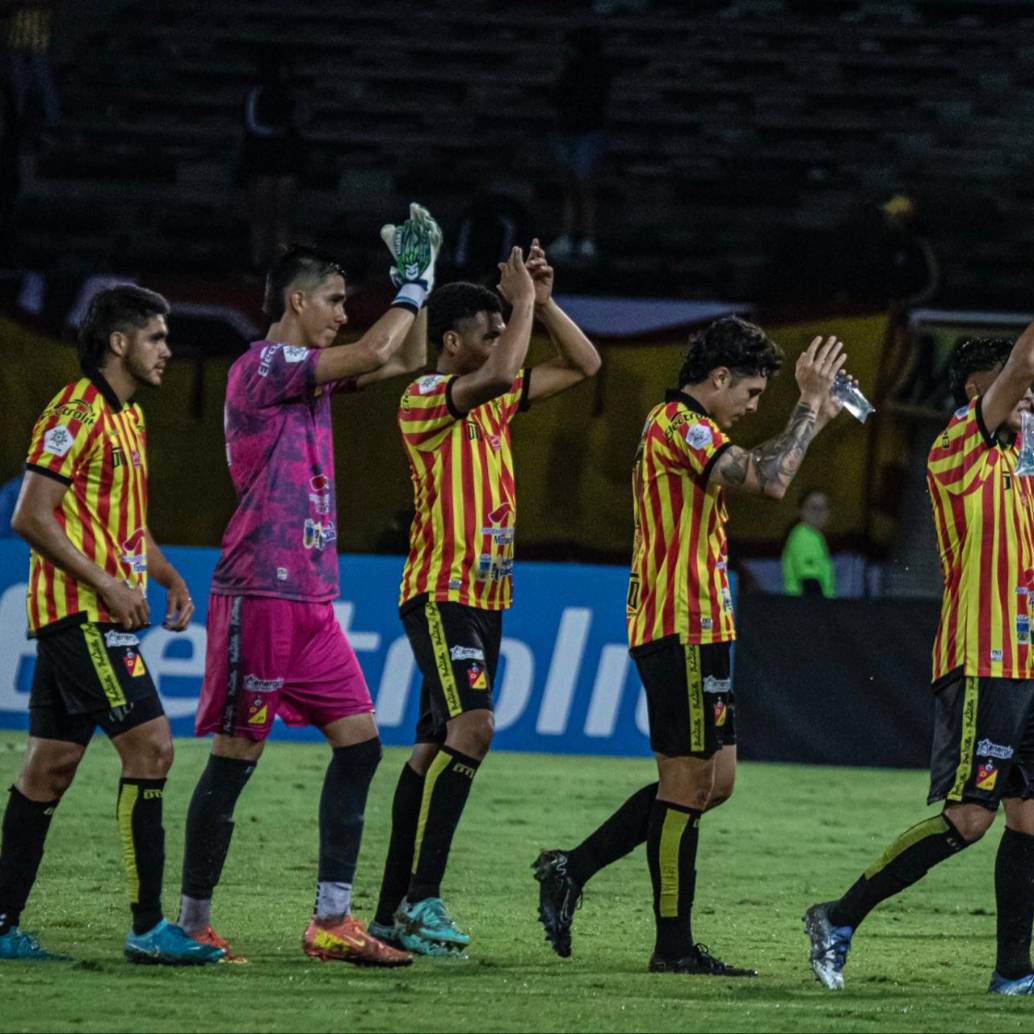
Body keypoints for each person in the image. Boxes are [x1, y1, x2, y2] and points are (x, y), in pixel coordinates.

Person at [534, 318, 847, 975]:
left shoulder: (693, 428)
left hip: (704, 626)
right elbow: (769, 479)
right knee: (687, 782)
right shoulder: (679, 424)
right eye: (752, 393)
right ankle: (672, 947)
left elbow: (763, 473)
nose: (753, 407)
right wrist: (809, 407)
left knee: (714, 781)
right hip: (677, 623)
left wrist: (811, 409)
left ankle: (573, 866)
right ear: (720, 378)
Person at [177, 207, 441, 967]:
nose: (342, 313)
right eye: (333, 299)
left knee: (359, 748)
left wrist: (413, 290)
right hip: (258, 589)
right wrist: (412, 288)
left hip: (312, 599)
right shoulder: (262, 365)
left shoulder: (311, 382)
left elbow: (400, 359)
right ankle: (192, 924)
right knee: (235, 757)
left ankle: (331, 921)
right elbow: (375, 345)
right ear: (297, 301)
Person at [368, 240, 601, 956]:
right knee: (475, 729)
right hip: (442, 593)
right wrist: (521, 300)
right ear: (451, 342)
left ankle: (387, 912)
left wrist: (545, 298)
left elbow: (586, 365)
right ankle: (423, 900)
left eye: (505, 328)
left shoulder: (493, 405)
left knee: (432, 746)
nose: (504, 341)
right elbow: (504, 372)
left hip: (485, 596)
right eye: (490, 329)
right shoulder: (424, 399)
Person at [804, 331, 1034, 996]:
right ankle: (837, 918)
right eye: (1019, 386)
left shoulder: (1023, 453)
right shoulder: (959, 444)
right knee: (970, 818)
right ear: (978, 391)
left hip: (1027, 659)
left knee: (1028, 818)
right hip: (982, 655)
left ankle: (1013, 971)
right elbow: (1023, 361)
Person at [0, 286, 223, 965]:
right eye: (157, 338)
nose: (168, 350)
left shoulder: (127, 418)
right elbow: (30, 515)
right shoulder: (76, 409)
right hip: (82, 615)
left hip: (92, 609)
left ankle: (1, 924)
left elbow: (124, 525)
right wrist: (105, 583)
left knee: (49, 768)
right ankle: (148, 927)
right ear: (119, 343)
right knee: (151, 749)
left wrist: (169, 576)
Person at [548, 28, 612, 263]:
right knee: (569, 187)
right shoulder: (567, 70)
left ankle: (587, 239)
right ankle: (567, 236)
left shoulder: (598, 71)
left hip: (588, 134)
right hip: (567, 132)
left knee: (585, 187)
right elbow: (554, 97)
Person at [237, 51, 305, 273]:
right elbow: (253, 125)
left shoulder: (292, 95)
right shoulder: (255, 94)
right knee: (261, 219)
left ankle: (280, 269)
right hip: (261, 160)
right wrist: (281, 129)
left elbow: (301, 123)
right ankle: (258, 265)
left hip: (284, 160)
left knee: (282, 219)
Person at [782, 488, 836, 597]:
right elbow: (810, 580)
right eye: (813, 508)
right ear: (800, 511)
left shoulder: (815, 537)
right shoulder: (805, 536)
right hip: (807, 608)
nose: (818, 513)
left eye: (822, 508)